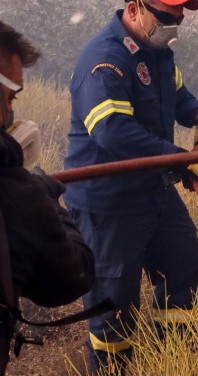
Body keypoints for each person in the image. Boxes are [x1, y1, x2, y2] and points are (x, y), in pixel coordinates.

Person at [62, 0, 198, 373]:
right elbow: (113, 133)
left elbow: (176, 92)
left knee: (184, 272)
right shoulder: (105, 59)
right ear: (135, 9)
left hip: (153, 190)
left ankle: (169, 361)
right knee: (113, 306)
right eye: (167, 15)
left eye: (180, 17)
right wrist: (180, 159)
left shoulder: (157, 52)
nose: (174, 25)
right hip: (109, 202)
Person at [0, 21, 95, 375]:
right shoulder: (17, 197)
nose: (11, 115)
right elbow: (73, 277)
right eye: (10, 97)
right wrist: (47, 200)